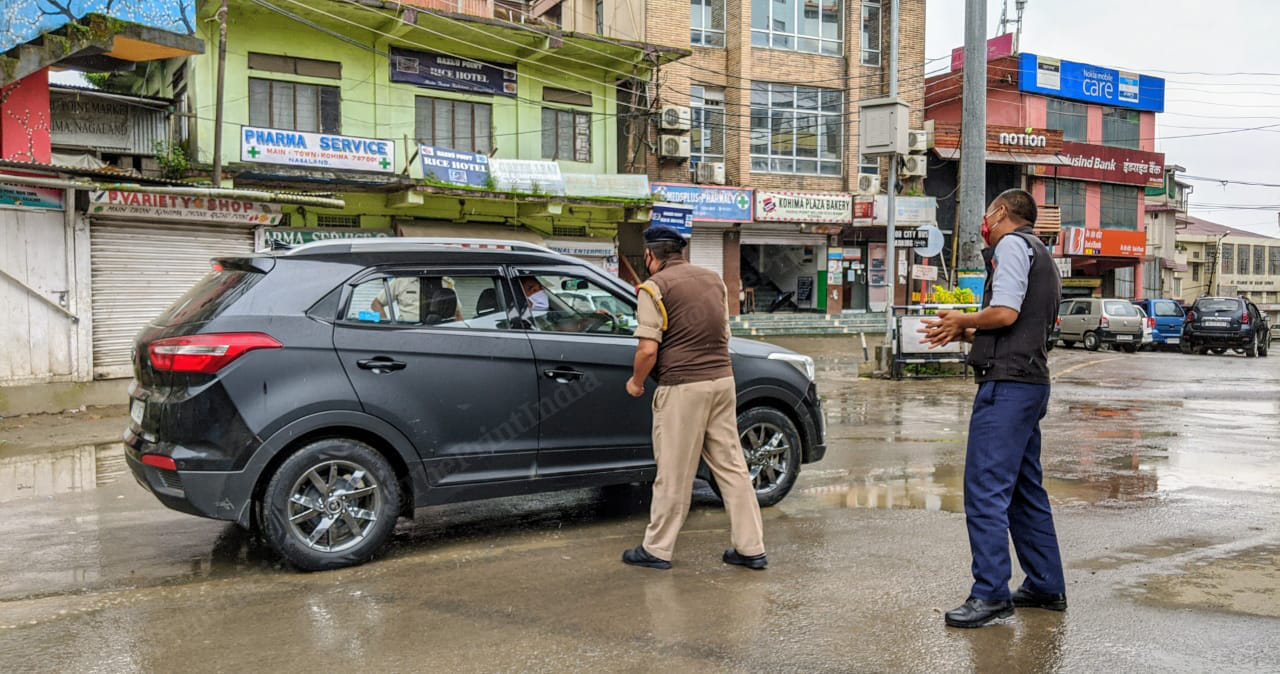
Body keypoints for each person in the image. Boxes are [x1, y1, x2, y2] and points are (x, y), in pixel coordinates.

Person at [919, 188, 1066, 628]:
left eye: (987, 213)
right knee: (1024, 490)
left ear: (1000, 212)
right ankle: (1044, 584)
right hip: (1029, 382)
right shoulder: (1041, 253)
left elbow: (1003, 313)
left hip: (1008, 387)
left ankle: (990, 594)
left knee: (985, 490)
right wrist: (965, 333)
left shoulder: (1011, 245)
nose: (984, 221)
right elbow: (1016, 321)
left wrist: (965, 319)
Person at [621, 225, 766, 571]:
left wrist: (636, 382)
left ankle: (657, 549)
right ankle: (751, 548)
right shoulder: (714, 280)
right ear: (681, 252)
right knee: (732, 467)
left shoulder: (653, 288)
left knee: (674, 470)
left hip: (683, 388)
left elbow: (647, 350)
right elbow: (724, 331)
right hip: (721, 382)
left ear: (651, 256)